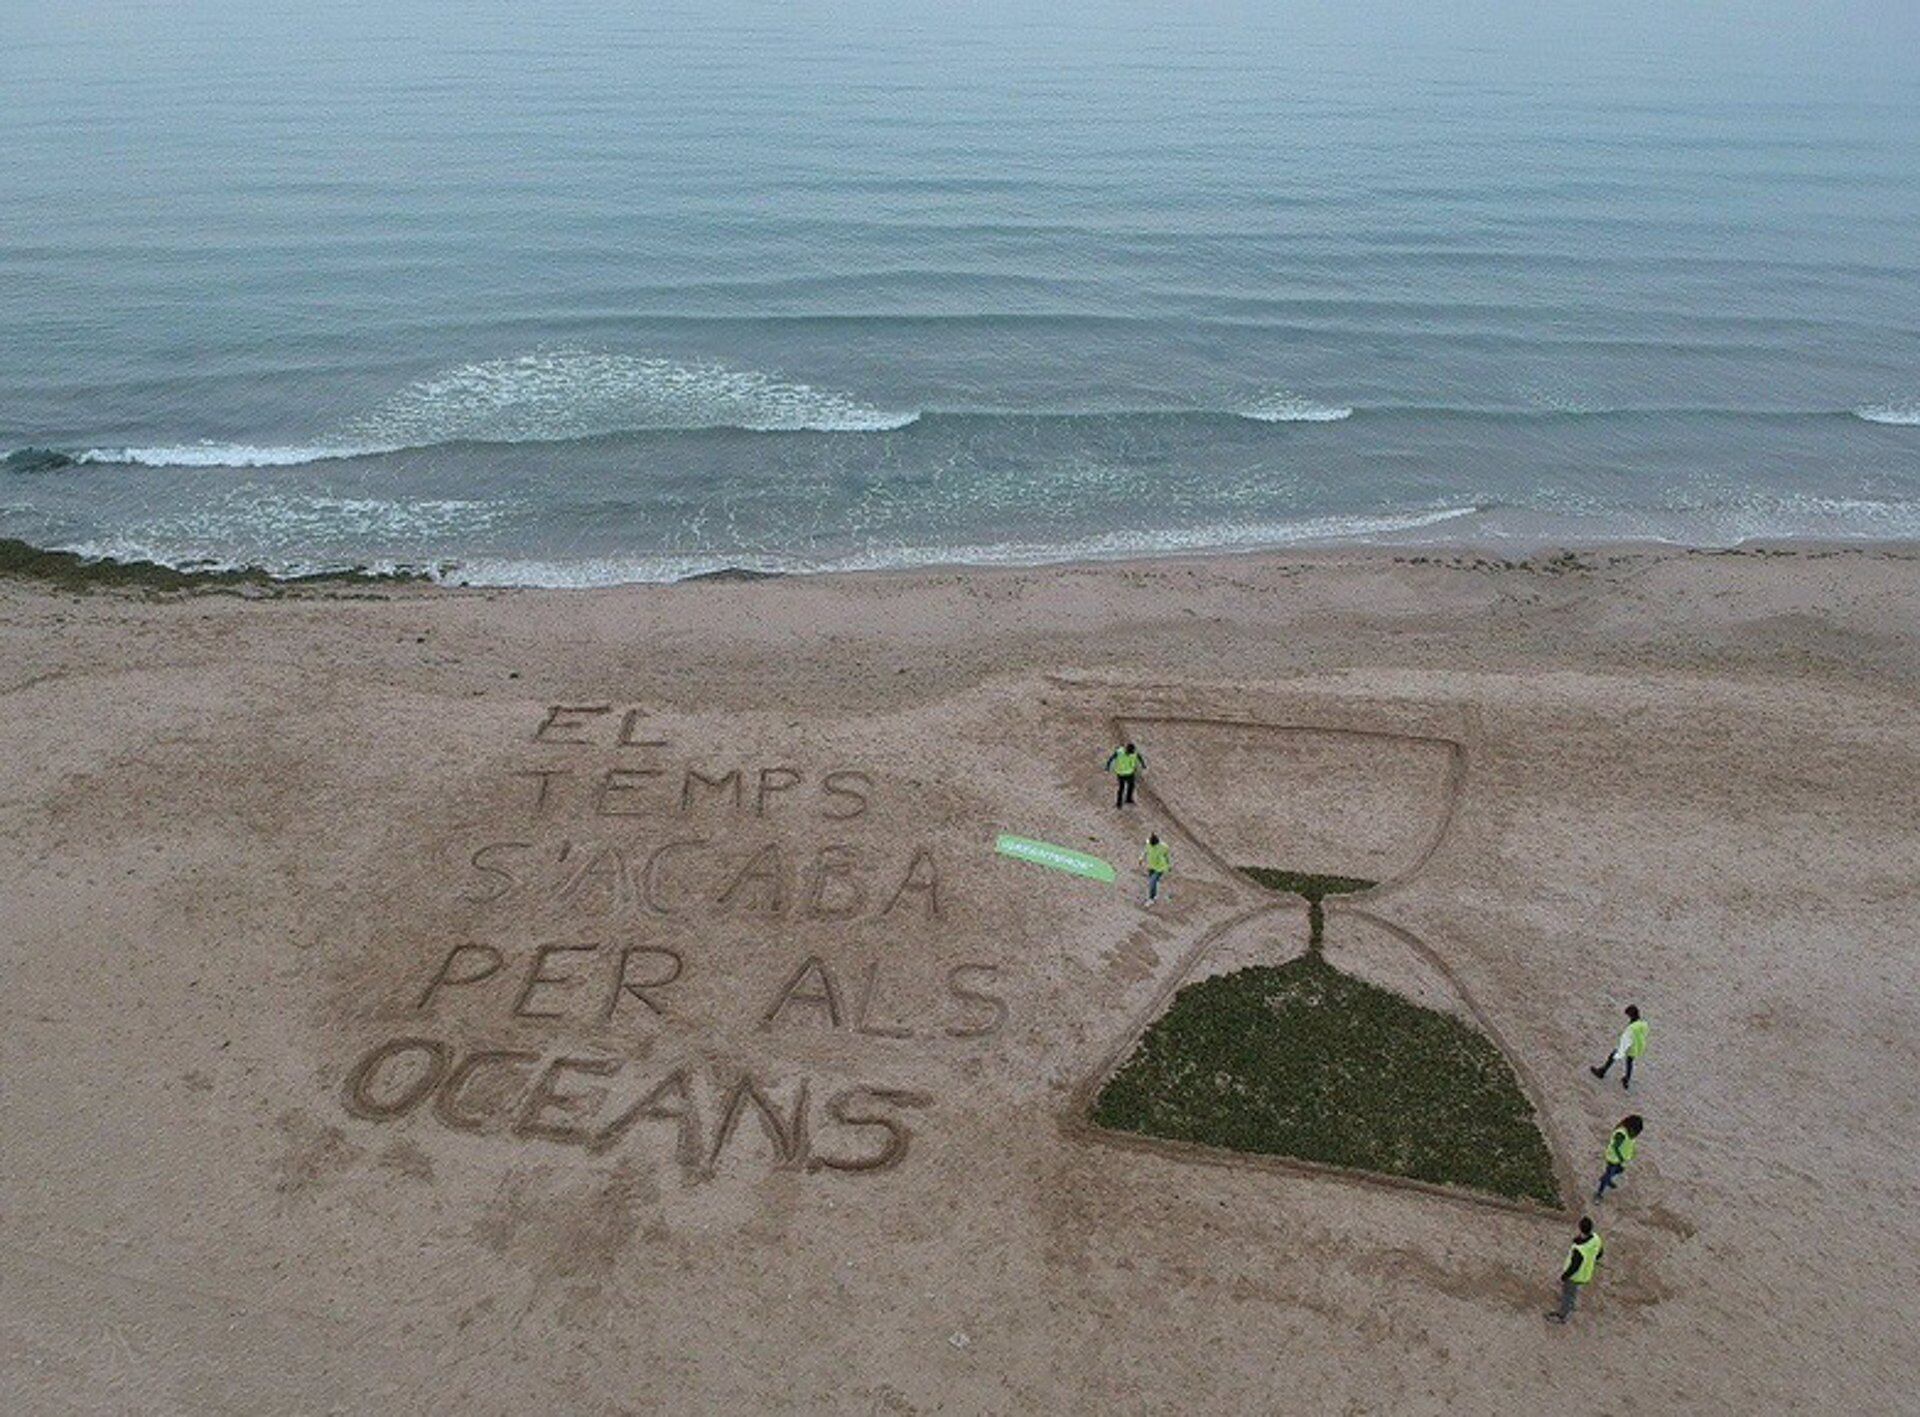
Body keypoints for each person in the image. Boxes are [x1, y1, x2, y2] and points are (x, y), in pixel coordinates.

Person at [1547, 1217, 1604, 1324]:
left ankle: (1562, 1316)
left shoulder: (1579, 1250)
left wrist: (1562, 1277)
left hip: (1575, 1276)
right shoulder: (1596, 1238)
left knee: (1567, 1294)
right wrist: (1590, 1260)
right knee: (1573, 1292)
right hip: (1585, 1274)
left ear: (1580, 1228)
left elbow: (1574, 1267)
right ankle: (1571, 1305)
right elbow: (1600, 1253)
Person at [1589, 1005, 1648, 1090]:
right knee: (1629, 1062)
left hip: (1629, 1045)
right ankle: (1626, 1079)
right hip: (1637, 1046)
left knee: (1612, 1056)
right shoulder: (1643, 1023)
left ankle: (1602, 1072)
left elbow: (1627, 1039)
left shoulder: (1632, 1027)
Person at [1594, 1115, 1644, 1200]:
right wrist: (1620, 1157)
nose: (1635, 1135)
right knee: (1610, 1173)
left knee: (1620, 1170)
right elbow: (1615, 1146)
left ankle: (1606, 1178)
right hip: (1613, 1159)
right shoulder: (1621, 1134)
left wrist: (1631, 1153)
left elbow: (1629, 1144)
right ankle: (1599, 1193)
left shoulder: (1629, 1133)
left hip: (1620, 1159)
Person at [1106, 742, 1144, 807]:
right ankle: (1123, 801)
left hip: (1125, 773)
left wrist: (1143, 764)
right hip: (1124, 773)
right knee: (1124, 787)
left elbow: (1139, 757)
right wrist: (1107, 766)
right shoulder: (1122, 752)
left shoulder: (1124, 752)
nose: (1130, 753)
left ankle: (1123, 802)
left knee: (1128, 786)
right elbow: (1111, 758)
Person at [1139, 834, 1171, 906]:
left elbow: (1167, 856)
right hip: (1151, 867)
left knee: (1152, 882)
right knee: (1153, 882)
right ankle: (1154, 895)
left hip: (1160, 868)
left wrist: (1169, 865)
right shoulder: (1148, 844)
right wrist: (1141, 858)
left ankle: (1151, 899)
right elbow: (1145, 851)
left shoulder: (1164, 847)